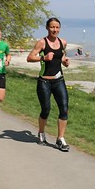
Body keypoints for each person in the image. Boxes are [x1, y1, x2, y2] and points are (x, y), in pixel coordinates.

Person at [27, 17, 71, 151]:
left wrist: (65, 62)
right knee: (46, 110)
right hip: (44, 82)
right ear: (47, 28)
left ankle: (60, 139)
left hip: (59, 81)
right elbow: (29, 58)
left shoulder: (63, 42)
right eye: (52, 27)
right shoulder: (42, 43)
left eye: (57, 27)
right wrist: (43, 58)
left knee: (64, 109)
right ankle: (41, 132)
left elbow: (61, 56)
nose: (55, 30)